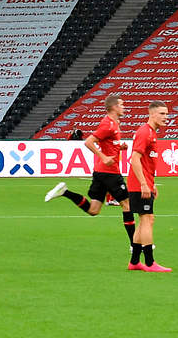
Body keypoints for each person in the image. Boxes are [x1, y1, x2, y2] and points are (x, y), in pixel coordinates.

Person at [43, 95, 134, 247]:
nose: (124, 107)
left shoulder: (114, 123)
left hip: (101, 172)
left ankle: (65, 192)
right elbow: (88, 142)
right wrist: (104, 157)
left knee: (94, 210)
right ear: (114, 107)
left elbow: (108, 143)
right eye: (122, 105)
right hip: (109, 171)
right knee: (127, 205)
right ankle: (135, 245)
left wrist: (119, 147)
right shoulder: (109, 125)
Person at [127, 101, 170, 272]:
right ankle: (150, 263)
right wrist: (144, 184)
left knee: (146, 219)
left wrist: (151, 184)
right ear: (151, 114)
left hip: (144, 183)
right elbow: (134, 159)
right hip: (139, 185)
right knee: (147, 219)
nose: (165, 117)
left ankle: (135, 261)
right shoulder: (145, 132)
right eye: (162, 114)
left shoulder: (152, 133)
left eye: (166, 114)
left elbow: (147, 162)